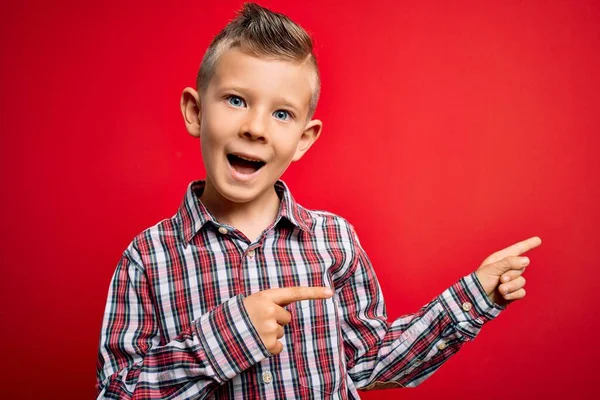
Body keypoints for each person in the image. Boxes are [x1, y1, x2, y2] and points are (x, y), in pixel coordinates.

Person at [95, 3, 542, 399]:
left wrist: (474, 296)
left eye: (282, 113)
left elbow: (370, 362)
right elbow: (115, 391)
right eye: (235, 100)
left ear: (304, 139)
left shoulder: (334, 240)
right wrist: (226, 338)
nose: (255, 127)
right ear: (196, 112)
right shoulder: (147, 259)